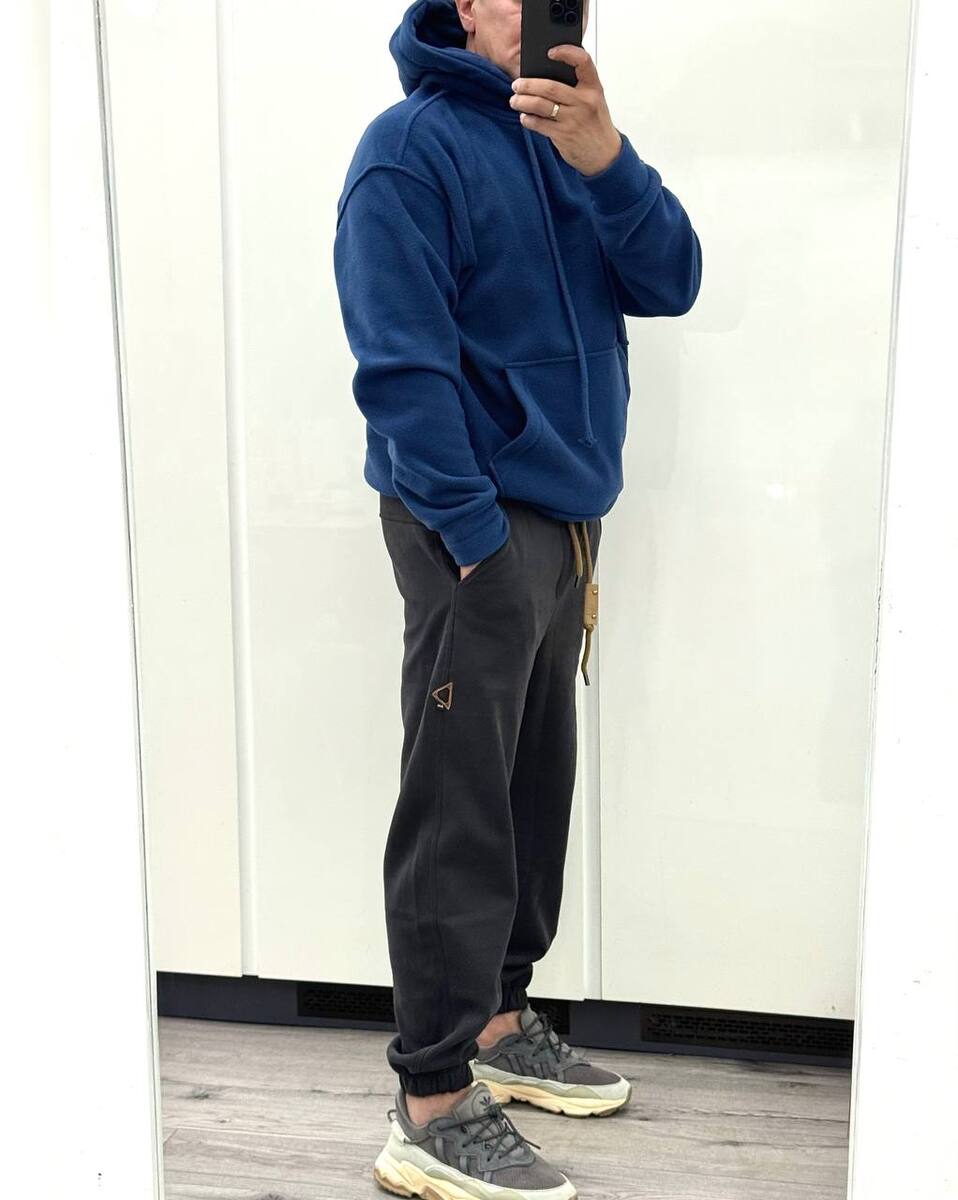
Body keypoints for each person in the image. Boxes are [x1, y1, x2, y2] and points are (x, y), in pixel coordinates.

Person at [333, 0, 701, 1194]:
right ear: (457, 5)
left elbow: (672, 280)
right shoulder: (408, 149)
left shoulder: (572, 143)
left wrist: (607, 159)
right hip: (473, 525)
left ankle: (497, 1020)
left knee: (533, 789)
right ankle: (431, 1098)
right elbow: (398, 359)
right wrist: (474, 534)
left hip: (565, 521)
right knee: (459, 808)